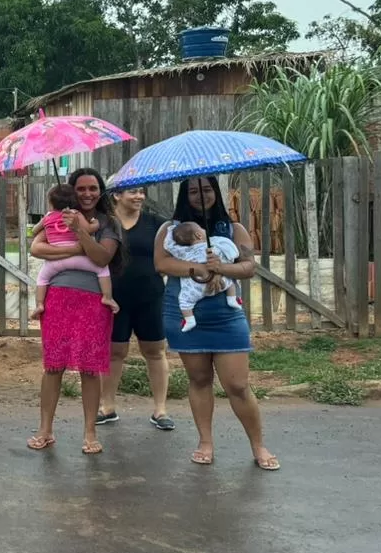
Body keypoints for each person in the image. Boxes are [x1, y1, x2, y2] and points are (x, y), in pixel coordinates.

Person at [155, 176, 279, 470]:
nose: (201, 195)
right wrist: (200, 270)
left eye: (207, 189)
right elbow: (161, 264)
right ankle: (205, 442)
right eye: (193, 191)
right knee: (199, 380)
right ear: (185, 195)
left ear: (216, 193)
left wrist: (220, 268)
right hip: (186, 314)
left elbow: (248, 267)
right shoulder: (169, 230)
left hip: (225, 315)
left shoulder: (233, 229)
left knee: (237, 385)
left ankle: (258, 445)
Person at [27, 167, 120, 456]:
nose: (88, 194)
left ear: (100, 190)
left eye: (93, 188)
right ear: (72, 190)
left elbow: (103, 256)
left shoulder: (107, 222)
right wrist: (75, 250)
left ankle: (90, 432)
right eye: (81, 189)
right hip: (56, 296)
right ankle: (45, 429)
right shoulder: (56, 218)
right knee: (53, 365)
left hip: (94, 300)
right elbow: (35, 248)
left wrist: (79, 231)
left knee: (90, 368)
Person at [101, 186, 172, 429]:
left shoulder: (157, 224)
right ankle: (107, 407)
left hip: (149, 297)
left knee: (155, 351)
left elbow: (175, 251)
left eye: (142, 191)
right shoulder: (105, 225)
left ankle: (160, 410)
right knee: (114, 352)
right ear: (117, 195)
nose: (139, 196)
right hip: (114, 299)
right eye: (132, 192)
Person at [30, 184, 118, 318]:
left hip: (55, 261)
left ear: (50, 203)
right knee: (102, 270)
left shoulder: (47, 217)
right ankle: (107, 297)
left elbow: (34, 230)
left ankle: (39, 304)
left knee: (42, 279)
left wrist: (44, 225)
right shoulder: (75, 214)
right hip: (80, 258)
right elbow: (88, 229)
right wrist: (95, 223)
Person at [164, 221, 243, 331]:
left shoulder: (182, 251)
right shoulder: (212, 247)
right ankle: (232, 299)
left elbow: (169, 245)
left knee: (184, 301)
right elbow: (230, 256)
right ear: (199, 235)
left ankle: (190, 320)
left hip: (195, 288)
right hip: (220, 284)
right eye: (202, 228)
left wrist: (170, 230)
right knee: (230, 283)